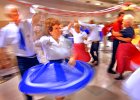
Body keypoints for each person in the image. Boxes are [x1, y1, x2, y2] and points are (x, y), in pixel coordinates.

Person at [19, 18, 94, 100]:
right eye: (56, 28)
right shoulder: (46, 40)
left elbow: (72, 51)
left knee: (63, 87)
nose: (59, 30)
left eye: (59, 28)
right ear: (50, 31)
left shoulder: (63, 40)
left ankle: (61, 96)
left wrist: (72, 58)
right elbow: (34, 44)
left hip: (64, 64)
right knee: (59, 90)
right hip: (53, 67)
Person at [0, 5, 40, 100]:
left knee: (40, 77)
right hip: (22, 60)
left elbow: (36, 19)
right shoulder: (6, 30)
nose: (16, 14)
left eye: (17, 11)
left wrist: (36, 9)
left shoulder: (27, 23)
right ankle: (29, 98)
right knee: (25, 82)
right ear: (9, 15)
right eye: (13, 12)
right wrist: (4, 60)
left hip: (34, 57)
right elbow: (1, 46)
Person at [112, 14, 140, 80]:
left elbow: (116, 34)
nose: (122, 22)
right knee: (125, 60)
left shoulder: (128, 30)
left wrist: (117, 36)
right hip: (126, 46)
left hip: (124, 47)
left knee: (121, 60)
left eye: (123, 21)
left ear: (127, 22)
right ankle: (123, 73)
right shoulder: (129, 29)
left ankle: (120, 74)